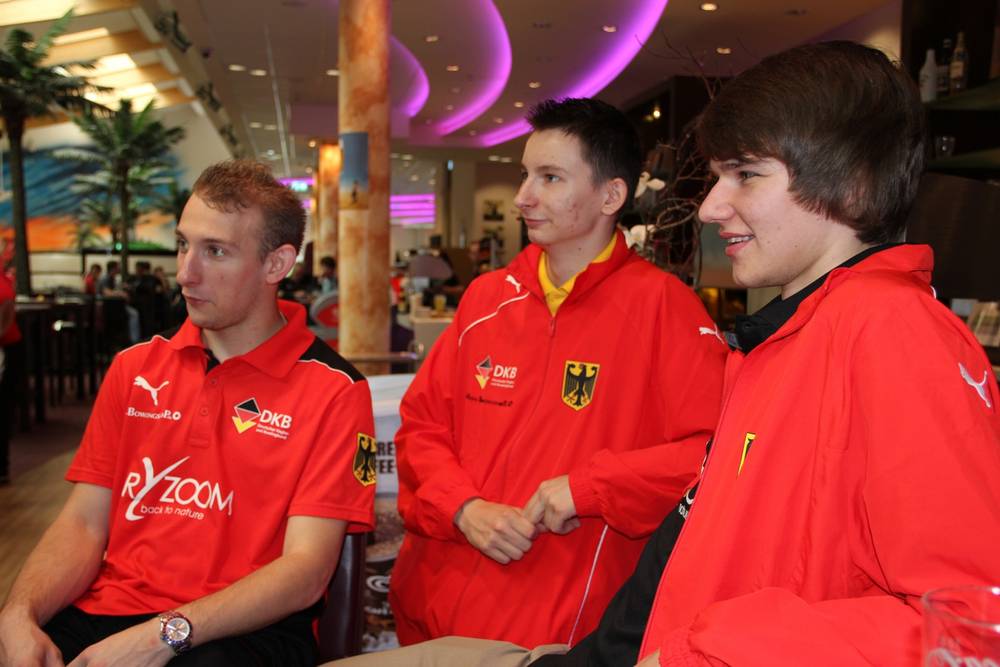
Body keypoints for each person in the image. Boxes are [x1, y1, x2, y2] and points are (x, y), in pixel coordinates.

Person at [330, 41, 1000, 667]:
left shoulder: (894, 333)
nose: (710, 207)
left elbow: (970, 623)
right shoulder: (789, 339)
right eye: (717, 177)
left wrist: (709, 645)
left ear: (849, 184)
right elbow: (698, 539)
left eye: (745, 175)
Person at [0, 159, 377, 666]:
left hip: (246, 630)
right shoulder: (134, 367)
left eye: (215, 251)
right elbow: (84, 524)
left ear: (276, 264)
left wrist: (161, 637)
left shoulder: (335, 390)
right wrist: (17, 615)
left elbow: (307, 570)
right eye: (183, 244)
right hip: (111, 611)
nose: (184, 273)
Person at [387, 97, 728, 649]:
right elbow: (421, 428)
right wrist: (463, 508)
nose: (523, 197)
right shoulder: (486, 299)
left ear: (611, 196)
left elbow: (716, 455)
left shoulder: (665, 310)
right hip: (433, 612)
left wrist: (590, 488)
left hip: (558, 632)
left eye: (549, 178)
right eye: (525, 175)